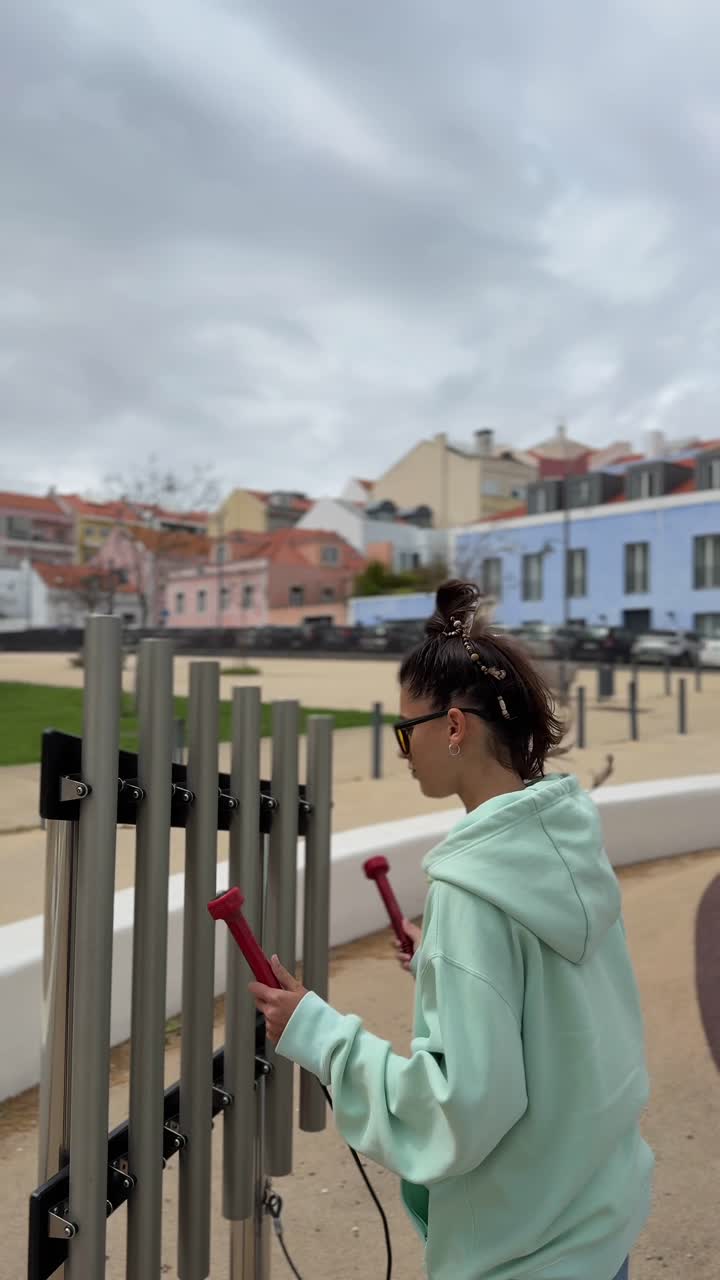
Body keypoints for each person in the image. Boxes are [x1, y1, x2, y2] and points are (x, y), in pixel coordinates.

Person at [250, 580, 653, 1280]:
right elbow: (557, 1002)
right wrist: (441, 954)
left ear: (456, 727)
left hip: (528, 1252)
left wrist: (315, 1032)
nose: (405, 751)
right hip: (597, 1223)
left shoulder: (473, 892)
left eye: (408, 732)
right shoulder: (565, 842)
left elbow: (458, 1110)